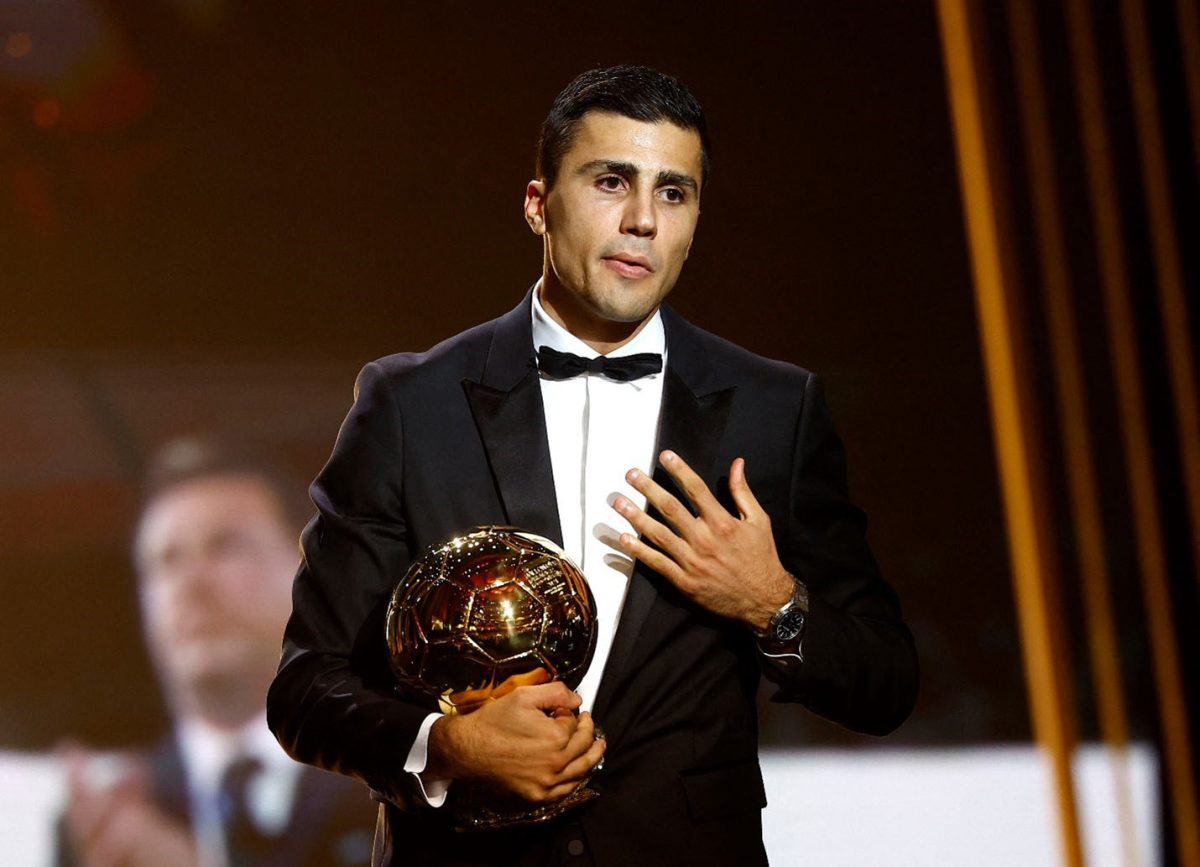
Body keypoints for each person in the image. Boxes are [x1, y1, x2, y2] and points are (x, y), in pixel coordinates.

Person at [267, 65, 918, 866]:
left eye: (673, 192)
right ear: (538, 203)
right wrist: (446, 746)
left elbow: (886, 681)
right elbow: (306, 689)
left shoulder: (774, 409)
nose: (643, 219)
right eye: (612, 181)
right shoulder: (410, 405)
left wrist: (773, 603)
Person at [58, 439, 376, 867]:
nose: (191, 585)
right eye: (167, 560)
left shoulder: (403, 791)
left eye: (226, 547)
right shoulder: (102, 826)